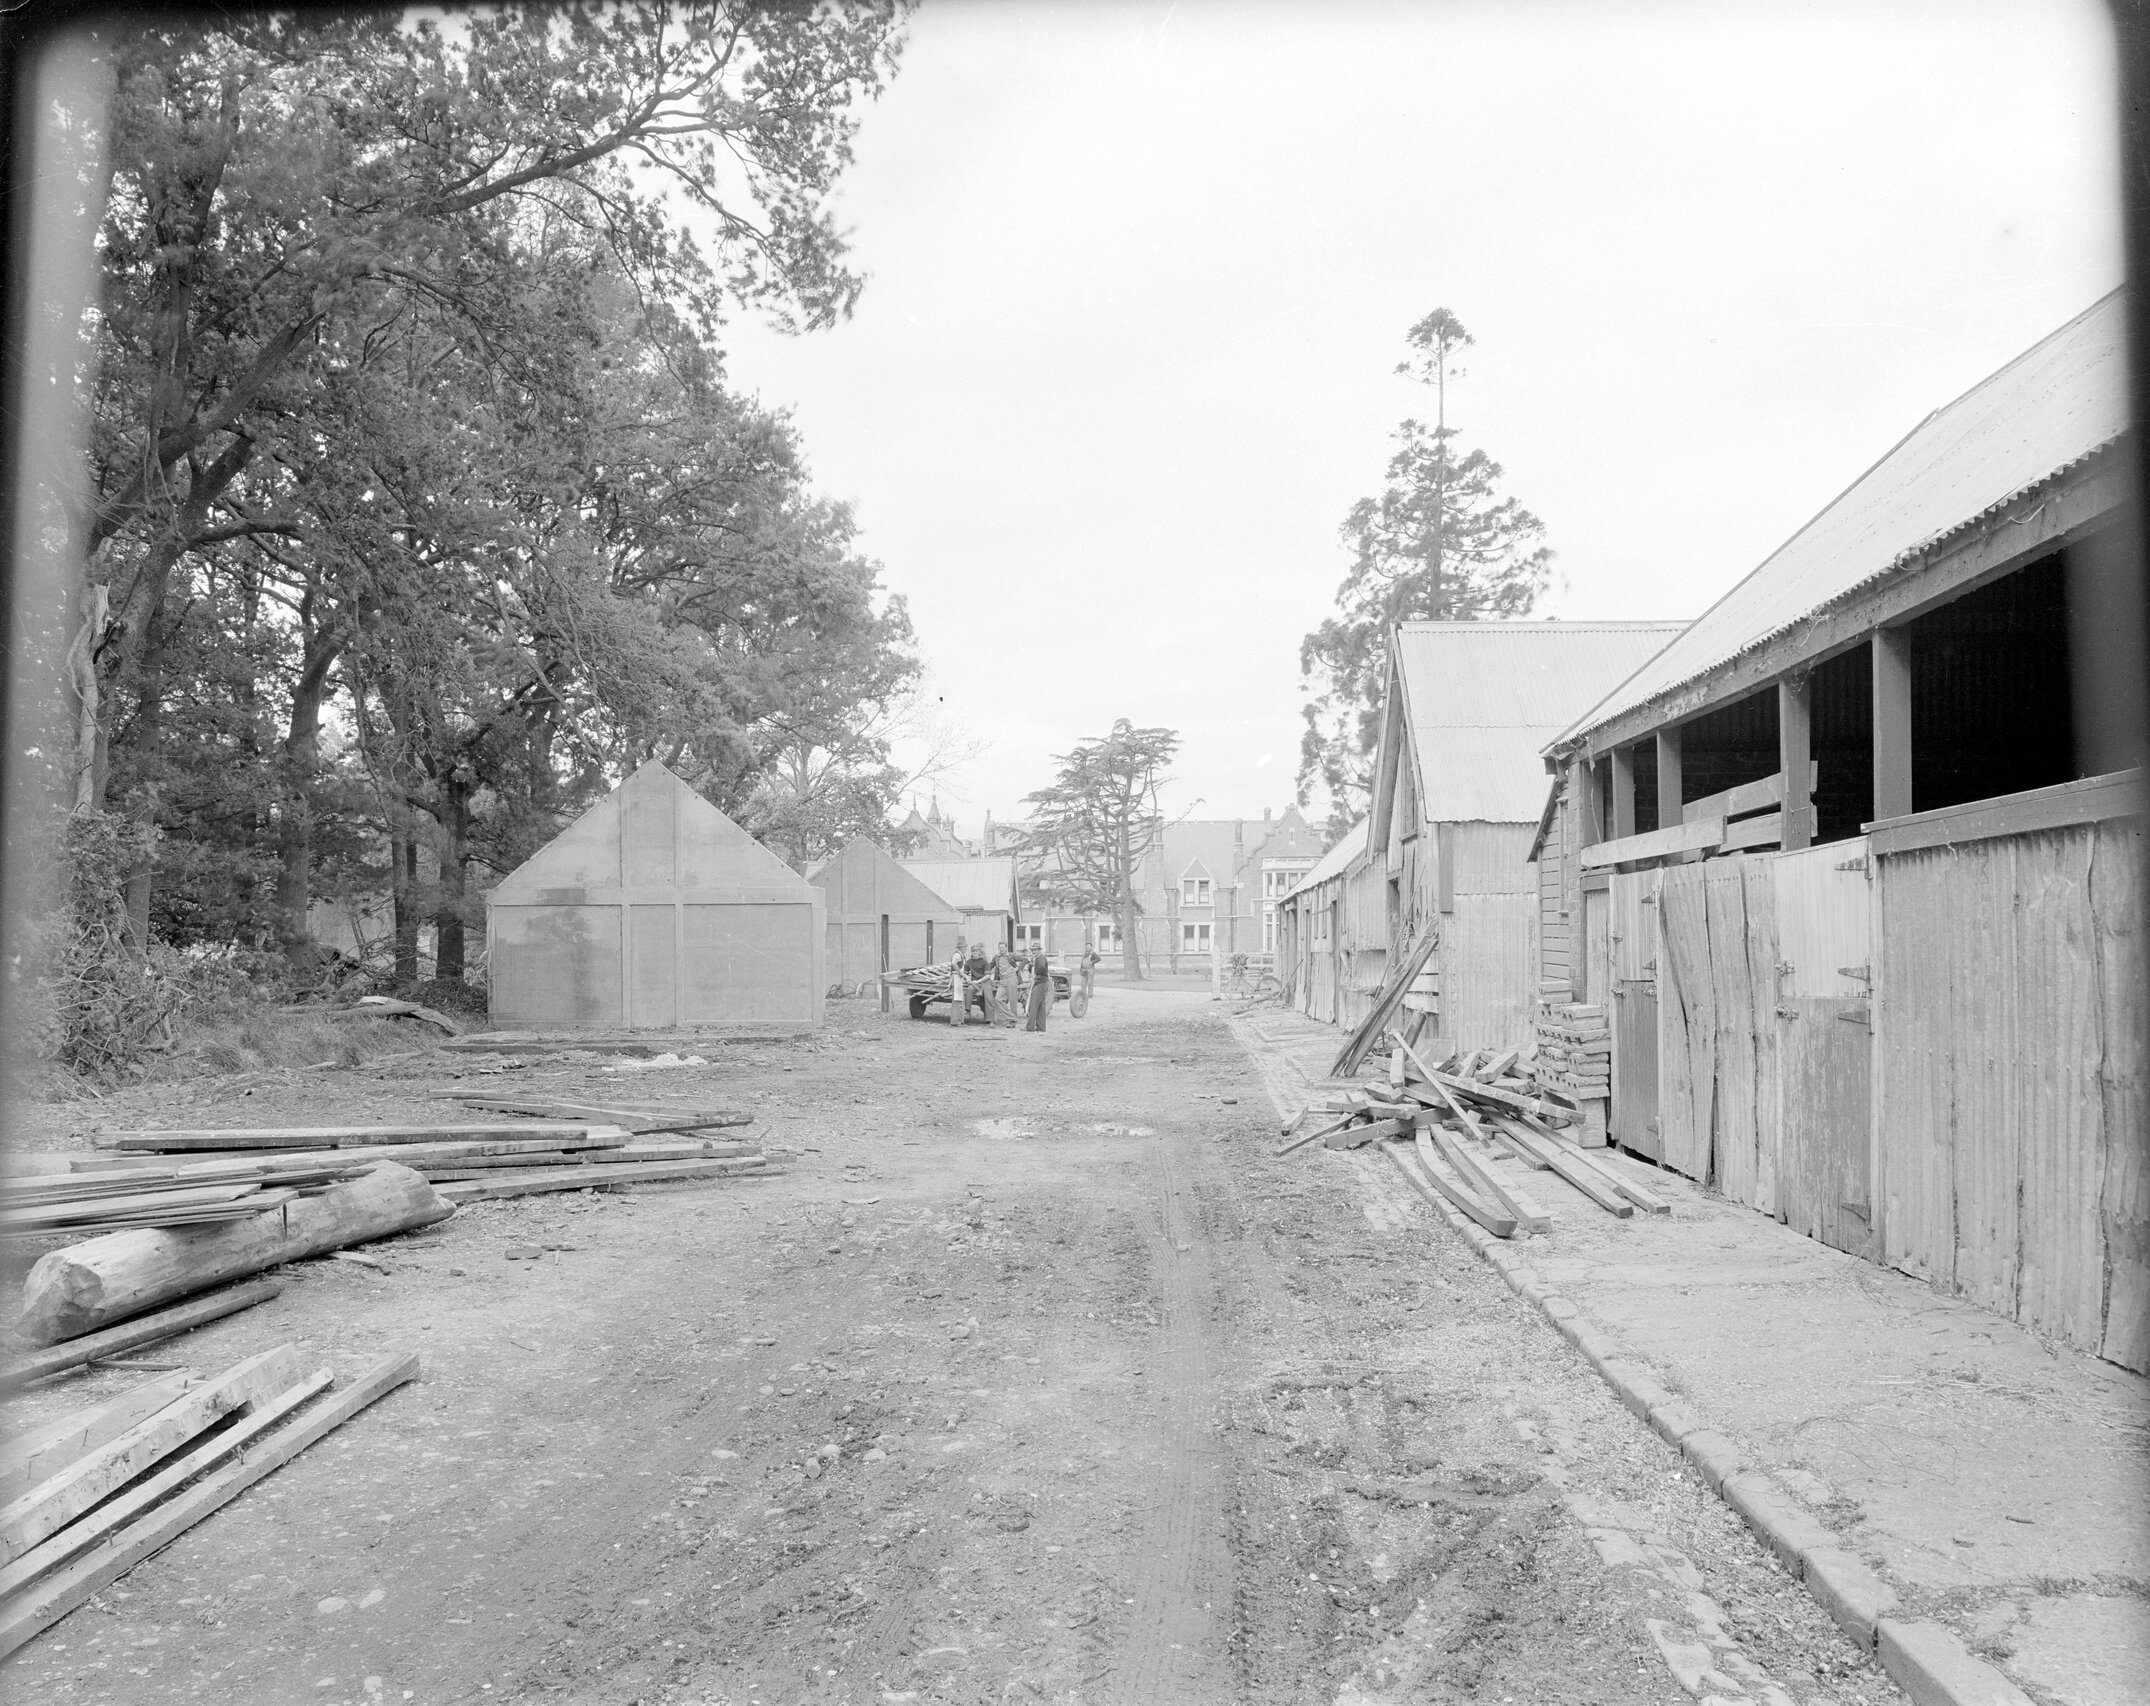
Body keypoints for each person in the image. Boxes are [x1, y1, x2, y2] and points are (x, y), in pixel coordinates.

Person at [1023, 944, 1053, 1032]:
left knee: (1033, 1005)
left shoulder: (1041, 958)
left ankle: (1030, 1027)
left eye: (1036, 950)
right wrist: (1031, 965)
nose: (1034, 952)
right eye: (1032, 950)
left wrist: (1035, 970)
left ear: (1039, 950)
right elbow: (1031, 969)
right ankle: (1041, 1027)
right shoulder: (1036, 959)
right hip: (1041, 983)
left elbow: (1042, 968)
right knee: (1041, 1007)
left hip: (1040, 982)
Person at [991, 943, 1021, 1027]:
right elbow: (990, 965)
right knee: (998, 999)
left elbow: (1025, 959)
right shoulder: (996, 957)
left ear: (1006, 948)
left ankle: (1012, 1023)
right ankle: (1012, 1018)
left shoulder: (1011, 955)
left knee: (1013, 1001)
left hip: (1011, 978)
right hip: (1002, 980)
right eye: (1000, 948)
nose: (1001, 949)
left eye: (1003, 948)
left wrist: (1018, 968)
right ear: (998, 948)